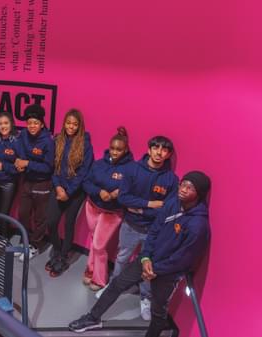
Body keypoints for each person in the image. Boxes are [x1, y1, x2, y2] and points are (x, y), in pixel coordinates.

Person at [69, 171, 211, 337]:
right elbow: (154, 230)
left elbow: (183, 259)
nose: (184, 189)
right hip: (147, 260)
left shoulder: (198, 225)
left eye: (190, 187)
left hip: (167, 274)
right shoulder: (173, 202)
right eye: (183, 184)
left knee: (158, 311)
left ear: (199, 194)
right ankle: (93, 318)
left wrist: (155, 269)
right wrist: (145, 258)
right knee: (117, 284)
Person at [99, 135, 179, 320]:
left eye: (164, 150)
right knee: (121, 258)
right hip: (130, 226)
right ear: (149, 149)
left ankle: (146, 297)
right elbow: (123, 198)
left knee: (147, 266)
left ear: (168, 154)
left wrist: (138, 209)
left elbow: (167, 209)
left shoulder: (171, 180)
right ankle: (113, 288)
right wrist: (149, 205)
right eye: (156, 148)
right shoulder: (133, 169)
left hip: (153, 231)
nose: (159, 152)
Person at [81, 127, 133, 290]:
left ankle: (99, 279)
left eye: (119, 149)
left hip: (112, 212)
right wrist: (99, 191)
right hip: (92, 206)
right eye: (112, 148)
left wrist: (119, 193)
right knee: (93, 239)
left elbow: (133, 190)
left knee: (98, 245)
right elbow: (86, 183)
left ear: (125, 150)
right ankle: (90, 270)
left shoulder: (131, 169)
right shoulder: (99, 164)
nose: (115, 152)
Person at [44, 109, 93, 277]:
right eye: (68, 123)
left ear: (79, 126)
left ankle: (63, 257)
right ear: (64, 123)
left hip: (75, 192)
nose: (71, 127)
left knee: (69, 224)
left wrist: (69, 191)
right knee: (51, 222)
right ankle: (57, 251)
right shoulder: (58, 140)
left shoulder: (86, 145)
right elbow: (54, 167)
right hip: (58, 188)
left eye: (75, 124)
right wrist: (58, 187)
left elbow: (83, 173)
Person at [14, 104, 55, 261]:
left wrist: (27, 163)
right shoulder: (23, 135)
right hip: (27, 181)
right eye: (30, 123)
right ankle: (24, 241)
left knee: (40, 218)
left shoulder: (48, 141)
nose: (32, 126)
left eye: (36, 123)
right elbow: (20, 154)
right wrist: (20, 162)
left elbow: (48, 166)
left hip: (42, 183)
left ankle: (35, 245)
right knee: (23, 213)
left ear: (42, 124)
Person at [0, 111, 21, 238]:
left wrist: (3, 166)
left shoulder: (17, 140)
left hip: (9, 182)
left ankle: (4, 239)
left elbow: (20, 167)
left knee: (4, 213)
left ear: (11, 124)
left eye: (6, 123)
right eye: (0, 123)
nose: (3, 126)